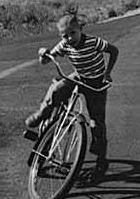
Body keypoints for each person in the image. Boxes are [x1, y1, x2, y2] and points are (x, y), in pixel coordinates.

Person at [25, 13, 119, 178]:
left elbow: (113, 50)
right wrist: (43, 54)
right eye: (65, 35)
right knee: (56, 90)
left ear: (80, 29)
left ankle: (101, 159)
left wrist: (107, 73)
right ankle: (41, 114)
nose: (69, 38)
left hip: (96, 82)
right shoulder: (64, 45)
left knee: (96, 123)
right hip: (79, 76)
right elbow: (46, 60)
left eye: (72, 33)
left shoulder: (93, 42)